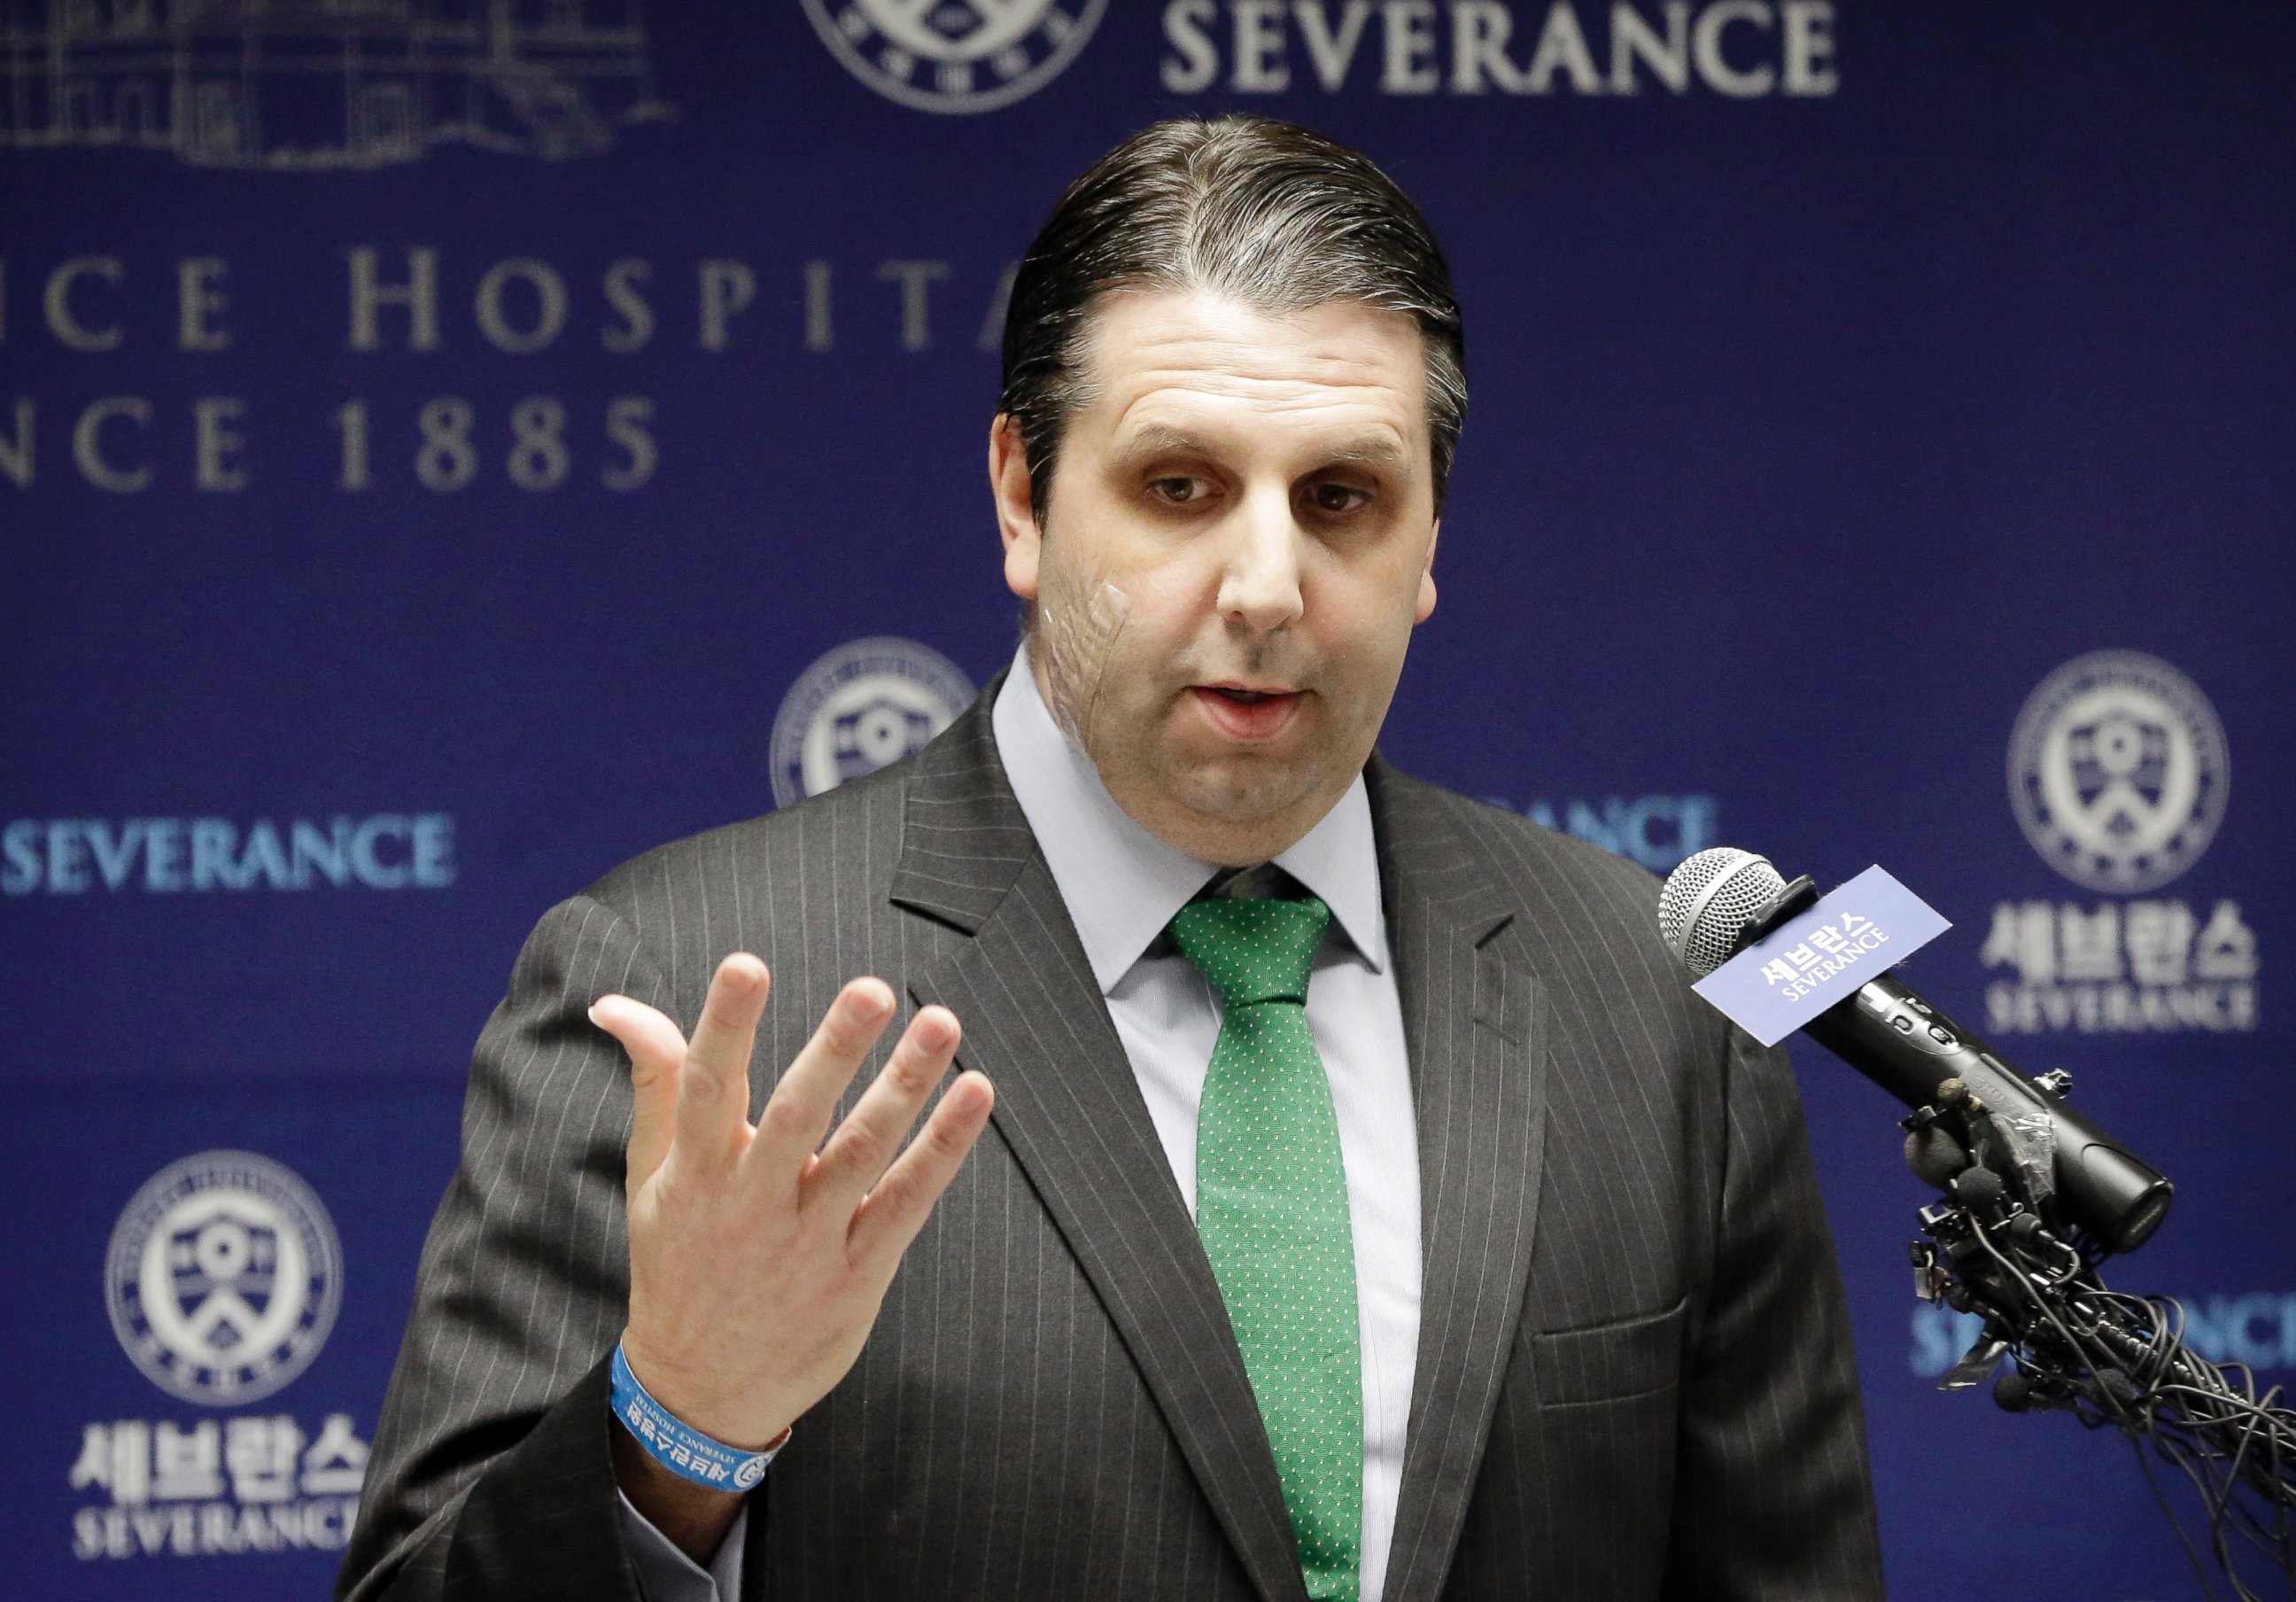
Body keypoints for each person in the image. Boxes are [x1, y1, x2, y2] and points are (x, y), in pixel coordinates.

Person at [339, 115, 1883, 1602]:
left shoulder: (1655, 1000)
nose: (1269, 584)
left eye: (1343, 497)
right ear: (1022, 495)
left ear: (1430, 541)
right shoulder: (679, 991)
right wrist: (682, 1426)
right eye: (1179, 486)